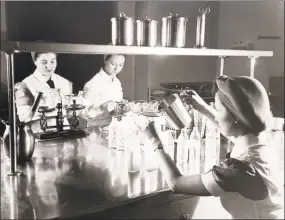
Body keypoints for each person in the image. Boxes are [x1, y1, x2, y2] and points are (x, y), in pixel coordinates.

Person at [145, 75, 284, 219]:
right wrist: (201, 107)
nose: (217, 116)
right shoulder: (261, 141)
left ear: (236, 117)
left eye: (219, 110)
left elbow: (176, 183)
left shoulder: (238, 170)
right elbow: (234, 132)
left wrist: (155, 141)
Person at [16, 52, 73, 130]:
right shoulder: (25, 85)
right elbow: (24, 120)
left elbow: (70, 114)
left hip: (65, 135)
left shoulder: (65, 82)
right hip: (39, 135)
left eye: (52, 61)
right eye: (44, 62)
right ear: (35, 61)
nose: (49, 66)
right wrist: (47, 106)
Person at [81, 54, 128, 120]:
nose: (116, 69)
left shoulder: (117, 82)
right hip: (97, 127)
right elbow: (84, 114)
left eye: (120, 65)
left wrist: (122, 104)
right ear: (105, 59)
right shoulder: (93, 83)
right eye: (113, 64)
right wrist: (101, 108)